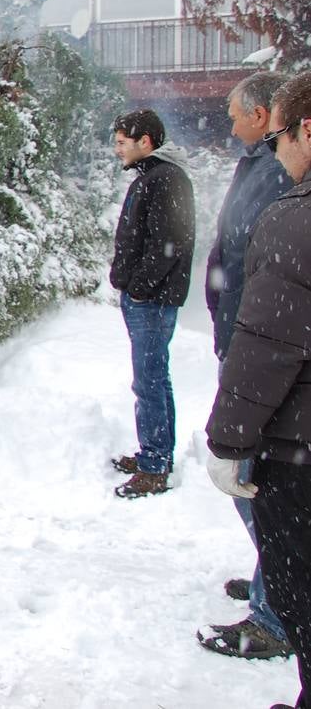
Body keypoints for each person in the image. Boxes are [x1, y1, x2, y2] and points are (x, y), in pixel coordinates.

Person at [205, 71, 311, 709]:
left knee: (301, 582)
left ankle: (275, 617)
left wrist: (229, 440)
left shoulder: (294, 216)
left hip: (297, 439)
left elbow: (270, 342)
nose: (279, 154)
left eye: (282, 139)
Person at [108, 108, 194, 499]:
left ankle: (156, 464)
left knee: (150, 381)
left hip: (153, 301)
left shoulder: (167, 179)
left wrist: (140, 288)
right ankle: (153, 454)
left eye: (122, 143)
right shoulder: (153, 177)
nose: (116, 150)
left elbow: (166, 245)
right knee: (152, 379)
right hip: (146, 298)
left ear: (146, 142)